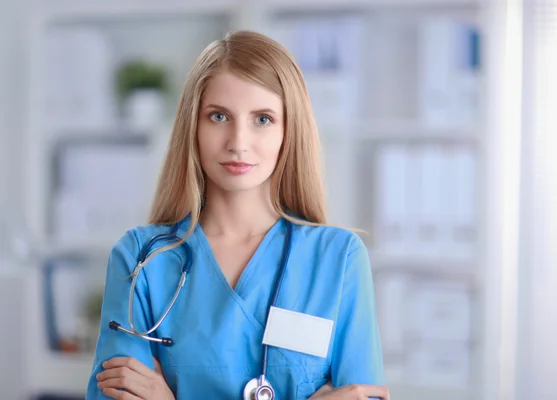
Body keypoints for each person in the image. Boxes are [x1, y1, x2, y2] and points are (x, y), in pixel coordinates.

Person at [87, 30, 390, 400]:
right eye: (218, 116)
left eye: (262, 119)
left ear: (288, 131)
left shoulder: (338, 257)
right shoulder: (143, 258)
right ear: (192, 128)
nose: (238, 142)